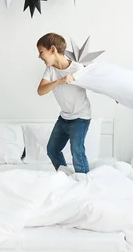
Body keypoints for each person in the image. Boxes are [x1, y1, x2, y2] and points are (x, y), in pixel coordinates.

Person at [36, 33, 91, 175]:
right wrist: (59, 81)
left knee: (77, 151)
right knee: (52, 149)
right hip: (64, 117)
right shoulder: (50, 70)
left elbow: (96, 84)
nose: (39, 56)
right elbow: (40, 91)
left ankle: (84, 182)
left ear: (52, 50)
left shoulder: (78, 69)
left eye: (41, 52)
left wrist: (115, 95)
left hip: (81, 117)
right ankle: (67, 175)